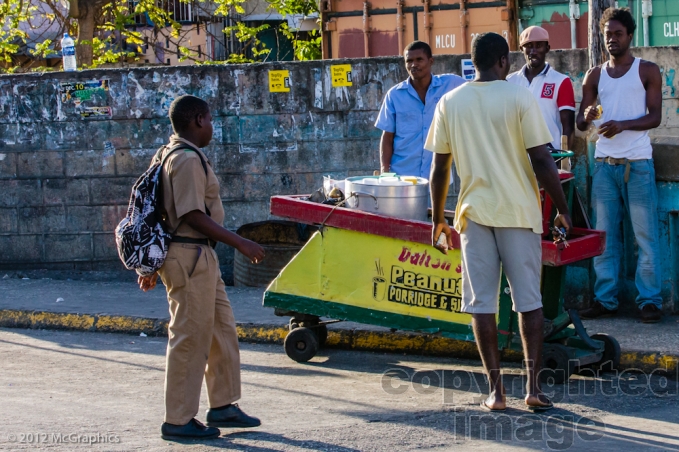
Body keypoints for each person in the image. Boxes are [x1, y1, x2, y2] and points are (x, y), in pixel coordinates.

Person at [426, 33, 572, 412]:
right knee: (529, 303)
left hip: (472, 214)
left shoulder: (449, 102)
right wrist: (562, 208)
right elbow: (542, 159)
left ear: (474, 63)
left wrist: (438, 219)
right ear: (504, 62)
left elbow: (439, 168)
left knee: (481, 305)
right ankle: (533, 389)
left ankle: (496, 392)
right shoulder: (518, 96)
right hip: (518, 213)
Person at [138, 95, 266, 440]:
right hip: (189, 256)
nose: (212, 126)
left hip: (199, 257)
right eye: (209, 120)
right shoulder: (186, 159)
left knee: (220, 330)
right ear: (197, 120)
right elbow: (191, 214)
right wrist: (240, 242)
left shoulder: (171, 153)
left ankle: (223, 404)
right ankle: (178, 420)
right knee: (190, 338)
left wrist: (149, 265)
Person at [576, 8, 663, 323]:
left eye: (617, 34)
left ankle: (650, 301)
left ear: (630, 36)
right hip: (604, 167)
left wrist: (623, 125)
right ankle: (605, 299)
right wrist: (585, 117)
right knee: (605, 236)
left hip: (637, 165)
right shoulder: (594, 75)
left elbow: (655, 116)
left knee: (645, 237)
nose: (611, 39)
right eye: (607, 34)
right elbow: (581, 124)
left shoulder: (647, 70)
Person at [375, 41, 465, 178]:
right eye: (409, 61)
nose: (413, 65)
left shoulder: (451, 84)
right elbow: (387, 137)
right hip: (402, 177)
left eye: (419, 60)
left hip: (437, 177)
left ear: (431, 61)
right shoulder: (394, 95)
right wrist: (384, 171)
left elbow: (475, 90)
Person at [507, 26, 576, 150]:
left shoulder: (561, 81)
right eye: (528, 46)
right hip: (517, 158)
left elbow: (568, 128)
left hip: (551, 157)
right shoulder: (509, 81)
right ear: (521, 49)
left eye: (538, 46)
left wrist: (564, 160)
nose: (533, 51)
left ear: (547, 48)